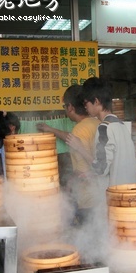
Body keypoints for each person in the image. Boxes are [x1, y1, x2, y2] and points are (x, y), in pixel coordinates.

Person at [36, 85, 100, 224]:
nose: (65, 110)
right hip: (100, 197)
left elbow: (83, 169)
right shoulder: (96, 123)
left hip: (87, 199)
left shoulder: (79, 130)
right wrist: (49, 129)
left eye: (64, 106)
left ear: (70, 107)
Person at [68, 76, 136, 196]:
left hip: (116, 197)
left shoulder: (105, 127)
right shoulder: (121, 125)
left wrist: (79, 147)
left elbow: (100, 169)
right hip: (129, 192)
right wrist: (89, 174)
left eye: (86, 103)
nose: (85, 107)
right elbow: (114, 163)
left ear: (96, 101)